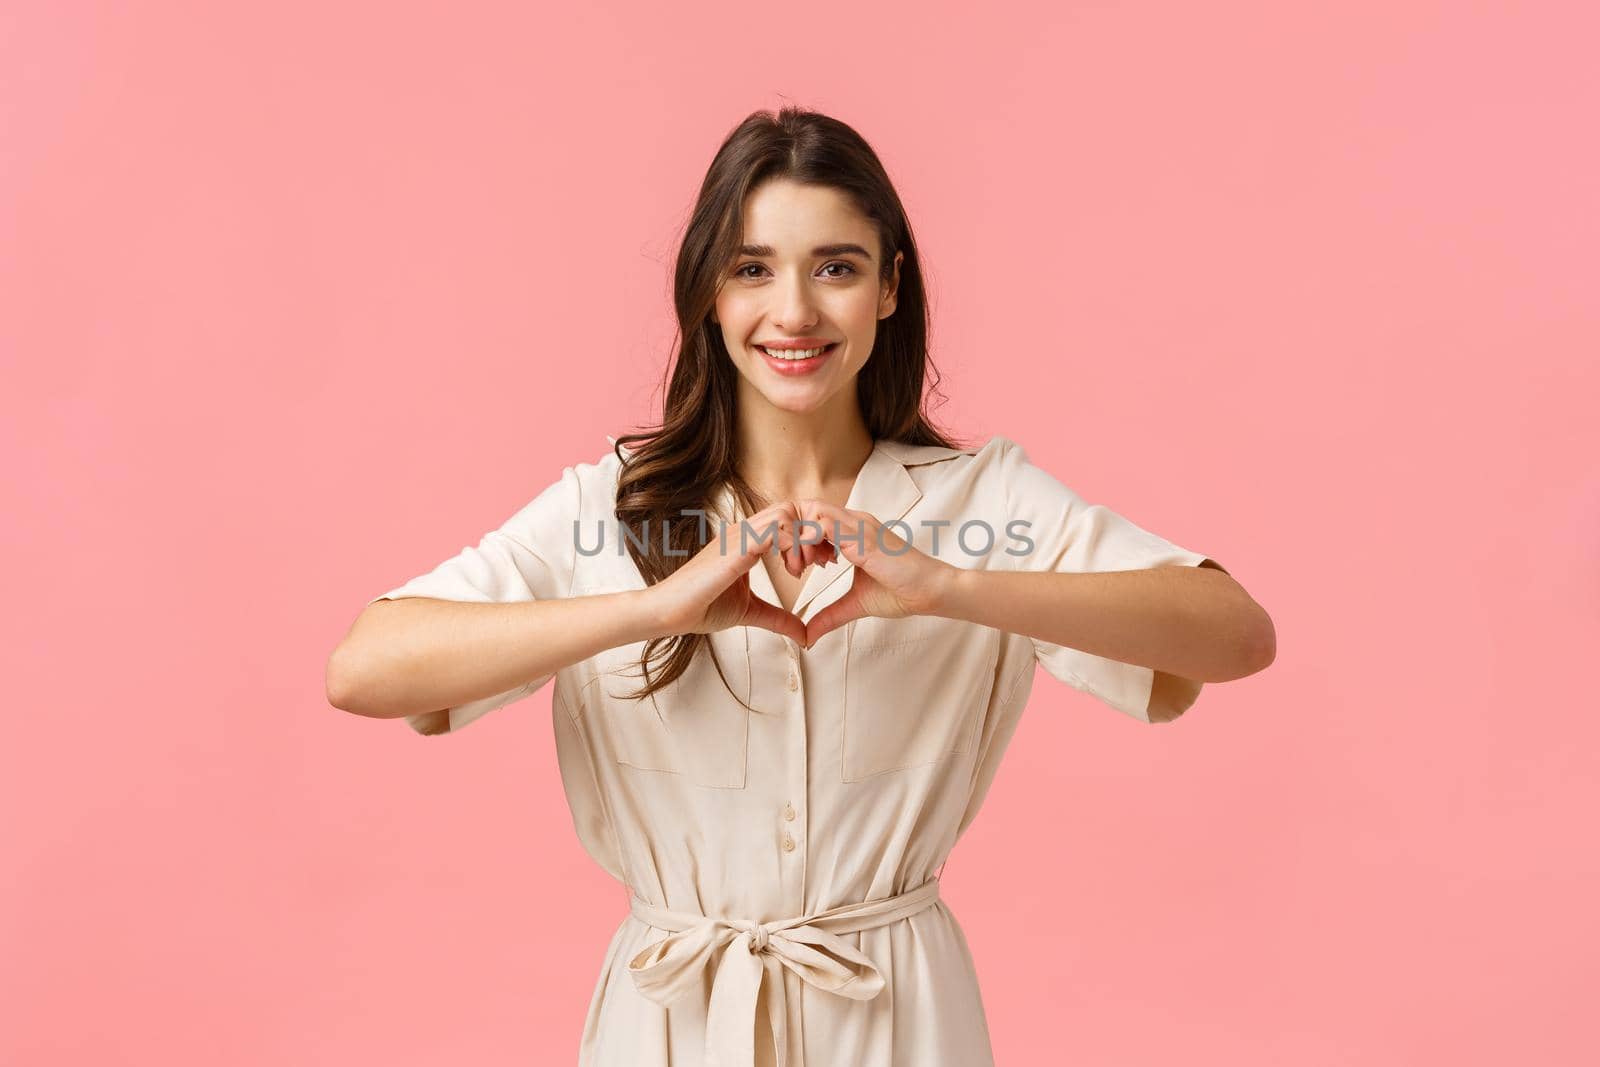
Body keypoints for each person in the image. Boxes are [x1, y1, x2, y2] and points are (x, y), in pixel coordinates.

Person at [326, 106, 1275, 1067]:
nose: (794, 312)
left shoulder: (983, 500)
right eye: (751, 268)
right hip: (667, 1023)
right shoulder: (608, 506)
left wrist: (950, 585)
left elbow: (1233, 634)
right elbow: (365, 669)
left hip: (902, 1020)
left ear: (889, 287)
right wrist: (656, 607)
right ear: (706, 292)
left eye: (835, 266)